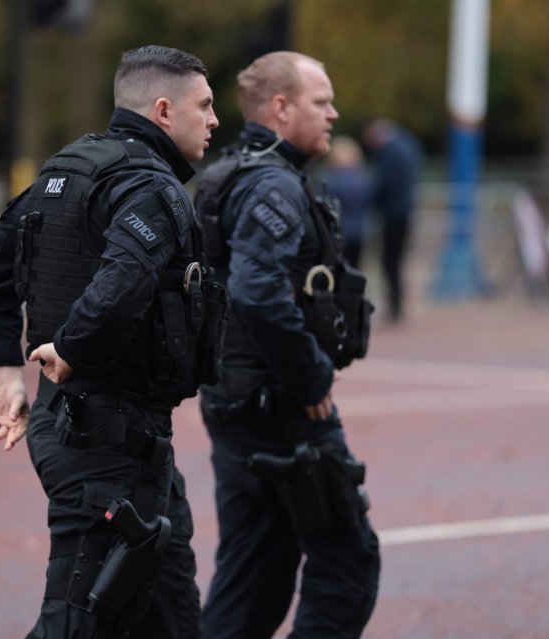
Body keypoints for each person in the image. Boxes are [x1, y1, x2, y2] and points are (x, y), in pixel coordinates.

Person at [0, 45, 222, 639]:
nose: (214, 120)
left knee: (171, 614)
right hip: (105, 443)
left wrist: (8, 377)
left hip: (100, 433)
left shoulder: (64, 169)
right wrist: (71, 348)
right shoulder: (152, 188)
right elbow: (125, 277)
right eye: (203, 106)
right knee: (77, 623)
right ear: (163, 111)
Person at [192, 51, 380, 639]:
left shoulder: (231, 173)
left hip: (237, 400)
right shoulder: (273, 185)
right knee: (347, 563)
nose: (334, 113)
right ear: (281, 108)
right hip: (282, 411)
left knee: (254, 577)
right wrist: (312, 378)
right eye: (320, 102)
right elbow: (257, 292)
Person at [362, 118, 423, 324]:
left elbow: (385, 183)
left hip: (393, 213)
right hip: (403, 211)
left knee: (390, 261)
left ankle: (395, 306)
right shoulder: (406, 145)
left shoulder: (390, 152)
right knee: (395, 261)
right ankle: (397, 304)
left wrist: (373, 201)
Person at [321, 134, 375, 268]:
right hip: (359, 230)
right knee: (355, 268)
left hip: (336, 233)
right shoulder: (365, 179)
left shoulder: (330, 180)